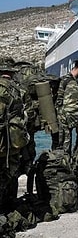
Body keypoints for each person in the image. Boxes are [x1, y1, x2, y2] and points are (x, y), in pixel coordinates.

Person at [52, 56, 78, 156]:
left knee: (56, 152)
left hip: (57, 122)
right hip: (65, 125)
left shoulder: (64, 79)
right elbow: (71, 109)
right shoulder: (72, 84)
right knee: (64, 154)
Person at [0, 64, 27, 214]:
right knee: (11, 173)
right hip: (14, 139)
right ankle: (9, 206)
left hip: (1, 139)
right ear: (11, 72)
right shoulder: (18, 89)